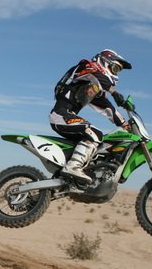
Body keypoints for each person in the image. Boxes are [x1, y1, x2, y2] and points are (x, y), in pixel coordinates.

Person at [50, 49, 133, 184]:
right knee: (95, 133)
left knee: (101, 141)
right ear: (104, 62)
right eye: (115, 68)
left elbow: (107, 108)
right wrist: (113, 92)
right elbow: (96, 75)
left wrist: (125, 124)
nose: (116, 73)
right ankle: (73, 167)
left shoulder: (91, 86)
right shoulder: (85, 66)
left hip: (67, 117)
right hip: (61, 115)